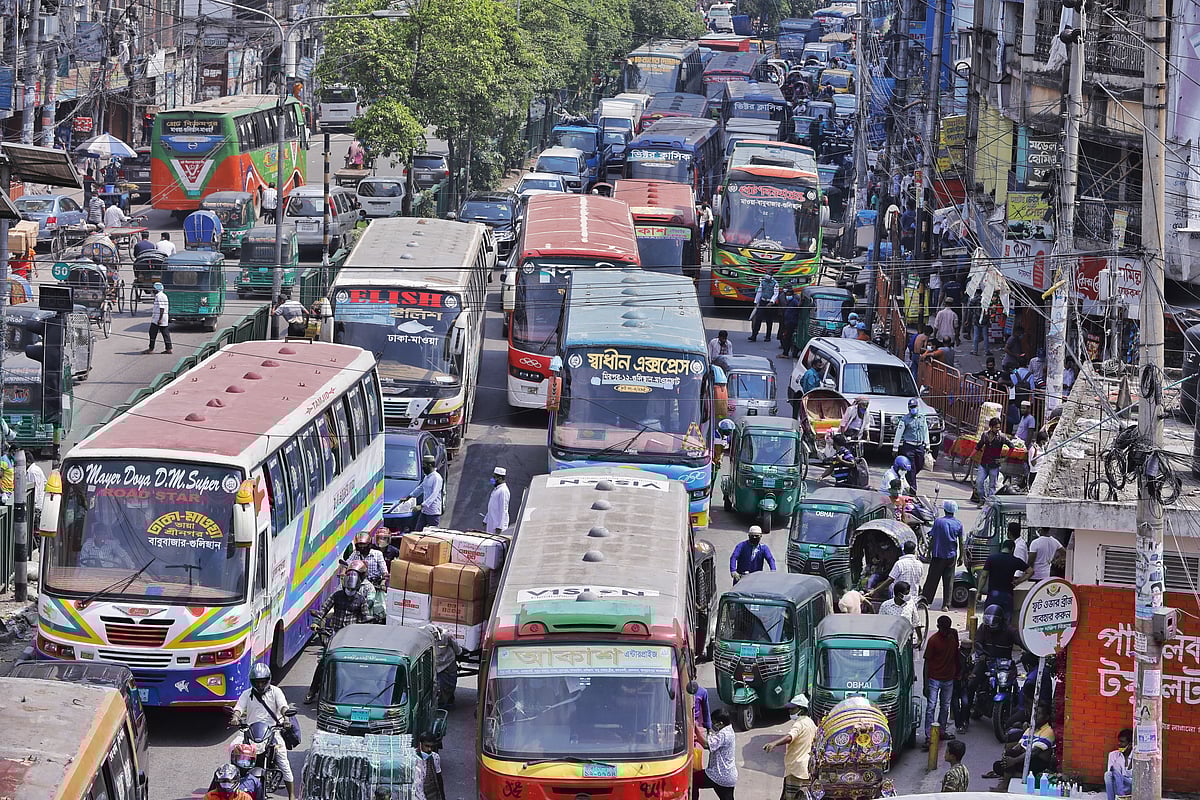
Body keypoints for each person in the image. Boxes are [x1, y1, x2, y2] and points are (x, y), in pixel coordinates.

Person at [304, 568, 370, 703]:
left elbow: (365, 618)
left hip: (352, 637)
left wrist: (365, 628)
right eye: (347, 589)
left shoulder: (361, 600)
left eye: (352, 590)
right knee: (323, 662)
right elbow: (323, 609)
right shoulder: (336, 595)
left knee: (358, 665)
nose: (349, 592)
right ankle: (312, 691)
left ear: (357, 588)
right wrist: (316, 622)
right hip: (334, 635)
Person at [231, 662, 295, 800]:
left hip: (273, 731)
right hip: (250, 731)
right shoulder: (246, 694)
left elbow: (283, 706)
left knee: (283, 760)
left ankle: (292, 795)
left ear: (268, 680)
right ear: (252, 682)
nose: (260, 685)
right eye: (257, 682)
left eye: (263, 682)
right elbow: (238, 708)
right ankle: (232, 781)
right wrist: (235, 717)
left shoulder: (276, 691)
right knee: (233, 748)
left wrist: (286, 718)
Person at [763, 694, 817, 800]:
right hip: (806, 769)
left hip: (796, 769)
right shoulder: (810, 722)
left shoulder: (799, 723)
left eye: (792, 709)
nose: (789, 711)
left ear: (801, 710)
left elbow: (790, 736)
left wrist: (774, 743)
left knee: (791, 796)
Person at [983, 705, 1055, 784]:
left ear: (1046, 717)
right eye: (1035, 713)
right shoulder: (1031, 728)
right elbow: (1019, 745)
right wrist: (1007, 758)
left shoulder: (1049, 731)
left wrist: (1014, 760)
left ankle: (1005, 784)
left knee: (1010, 759)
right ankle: (1014, 775)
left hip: (1037, 761)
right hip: (1024, 757)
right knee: (999, 764)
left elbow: (1034, 752)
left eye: (1039, 714)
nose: (1035, 716)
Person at [923, 615, 960, 748]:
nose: (946, 631)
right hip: (934, 678)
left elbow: (956, 655)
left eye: (947, 629)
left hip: (948, 678)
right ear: (939, 627)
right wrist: (926, 684)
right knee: (931, 707)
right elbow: (926, 662)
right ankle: (929, 735)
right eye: (944, 629)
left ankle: (942, 731)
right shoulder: (933, 641)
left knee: (945, 706)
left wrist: (958, 673)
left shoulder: (953, 636)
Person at [922, 500, 963, 611]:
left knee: (932, 579)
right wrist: (961, 556)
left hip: (938, 555)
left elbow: (932, 538)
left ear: (945, 510)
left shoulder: (938, 522)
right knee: (949, 581)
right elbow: (961, 541)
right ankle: (946, 604)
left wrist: (928, 553)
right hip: (951, 555)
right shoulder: (958, 524)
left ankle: (926, 601)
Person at [693, 708, 737, 800]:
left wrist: (695, 728)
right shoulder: (728, 730)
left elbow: (706, 745)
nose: (713, 725)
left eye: (714, 722)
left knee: (693, 780)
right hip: (728, 775)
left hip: (718, 774)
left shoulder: (724, 734)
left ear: (720, 723)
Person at [980, 539, 1030, 615]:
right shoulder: (1015, 560)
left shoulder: (991, 558)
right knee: (1006, 622)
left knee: (989, 618)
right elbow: (1030, 571)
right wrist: (1018, 581)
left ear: (1002, 547)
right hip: (1007, 596)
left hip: (992, 596)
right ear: (1013, 549)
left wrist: (978, 592)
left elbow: (983, 576)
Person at [891, 398, 930, 492]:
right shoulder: (905, 419)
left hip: (920, 446)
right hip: (909, 446)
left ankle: (908, 478)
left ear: (918, 407)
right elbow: (899, 433)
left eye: (915, 407)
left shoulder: (922, 418)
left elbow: (925, 431)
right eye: (911, 407)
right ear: (908, 408)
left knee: (920, 465)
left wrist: (927, 445)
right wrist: (895, 448)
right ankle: (913, 489)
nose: (913, 409)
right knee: (912, 468)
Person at [973, 418, 1014, 504]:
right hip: (984, 464)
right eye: (996, 427)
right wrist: (970, 457)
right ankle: (982, 499)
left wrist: (1004, 459)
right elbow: (978, 446)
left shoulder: (1002, 437)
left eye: (999, 427)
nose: (998, 429)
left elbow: (1012, 446)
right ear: (991, 427)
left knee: (992, 486)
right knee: (979, 482)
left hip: (994, 465)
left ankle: (990, 504)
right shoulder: (985, 435)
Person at [424, 623, 463, 708]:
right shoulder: (424, 637)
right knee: (435, 685)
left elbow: (457, 649)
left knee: (450, 683)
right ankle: (439, 702)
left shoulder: (447, 636)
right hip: (435, 664)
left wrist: (459, 653)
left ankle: (449, 700)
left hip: (448, 662)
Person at [405, 455, 444, 530]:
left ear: (429, 465)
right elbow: (421, 488)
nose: (423, 467)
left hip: (433, 512)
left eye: (424, 465)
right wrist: (409, 497)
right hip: (425, 511)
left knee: (433, 533)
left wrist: (421, 506)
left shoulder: (437, 478)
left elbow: (434, 495)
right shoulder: (427, 477)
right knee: (418, 531)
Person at [144, 282, 173, 354]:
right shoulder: (162, 295)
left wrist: (160, 319)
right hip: (160, 318)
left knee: (152, 333)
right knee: (165, 333)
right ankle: (169, 348)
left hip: (158, 319)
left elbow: (161, 308)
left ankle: (151, 349)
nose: (153, 290)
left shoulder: (159, 296)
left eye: (154, 289)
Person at [750, 274, 780, 342]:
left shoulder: (775, 283)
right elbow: (759, 292)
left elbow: (776, 294)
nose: (766, 275)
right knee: (758, 318)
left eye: (768, 274)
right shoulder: (762, 282)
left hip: (770, 303)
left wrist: (771, 302)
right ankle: (754, 335)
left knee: (769, 320)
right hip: (762, 302)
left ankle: (768, 337)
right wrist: (756, 301)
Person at [1104, 729, 1133, 800]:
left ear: (1130, 744)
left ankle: (1121, 796)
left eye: (1122, 742)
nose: (1119, 744)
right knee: (1107, 774)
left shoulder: (1136, 757)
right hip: (1117, 786)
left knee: (1116, 771)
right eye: (1119, 741)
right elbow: (1111, 775)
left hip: (1131, 786)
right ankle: (1117, 797)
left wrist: (1121, 777)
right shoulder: (1113, 755)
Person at [416, 731, 446, 800]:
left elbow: (439, 778)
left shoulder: (435, 757)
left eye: (432, 747)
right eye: (427, 746)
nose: (429, 749)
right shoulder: (412, 759)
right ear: (420, 744)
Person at [483, 466, 511, 534]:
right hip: (491, 523)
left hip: (497, 527)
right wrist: (486, 519)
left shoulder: (503, 491)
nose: (492, 479)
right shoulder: (497, 489)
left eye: (494, 477)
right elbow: (492, 507)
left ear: (500, 478)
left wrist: (500, 527)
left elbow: (503, 510)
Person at [778, 288, 802, 358]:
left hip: (791, 323)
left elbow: (799, 306)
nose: (787, 296)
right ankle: (785, 353)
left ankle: (785, 353)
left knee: (786, 338)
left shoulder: (794, 301)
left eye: (788, 294)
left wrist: (801, 300)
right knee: (786, 337)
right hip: (787, 322)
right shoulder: (789, 301)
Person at [26, 452, 45, 526]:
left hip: (35, 505)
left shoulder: (33, 471)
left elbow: (35, 489)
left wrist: (33, 504)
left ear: (28, 461)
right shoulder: (34, 469)